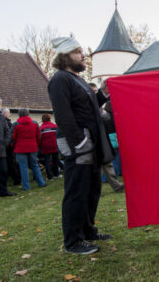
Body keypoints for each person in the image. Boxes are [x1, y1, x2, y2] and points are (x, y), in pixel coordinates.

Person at [48, 36, 113, 255]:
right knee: (76, 192)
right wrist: (80, 142)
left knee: (91, 190)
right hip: (78, 146)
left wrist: (102, 93)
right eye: (77, 52)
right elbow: (63, 116)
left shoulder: (80, 80)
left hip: (91, 145)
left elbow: (91, 108)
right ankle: (73, 241)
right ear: (65, 57)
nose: (83, 55)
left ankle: (87, 230)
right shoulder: (60, 80)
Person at [88, 84, 124, 193]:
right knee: (92, 166)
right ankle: (94, 190)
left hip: (101, 137)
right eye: (93, 91)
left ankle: (116, 185)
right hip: (89, 138)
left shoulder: (99, 106)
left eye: (96, 91)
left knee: (107, 161)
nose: (95, 93)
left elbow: (107, 117)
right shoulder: (86, 105)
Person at [12, 108, 46, 190]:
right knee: (35, 165)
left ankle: (26, 186)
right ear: (28, 113)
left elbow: (13, 137)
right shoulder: (34, 123)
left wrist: (13, 145)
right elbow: (38, 136)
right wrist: (37, 144)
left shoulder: (16, 124)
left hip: (20, 148)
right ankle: (41, 182)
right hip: (33, 147)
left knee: (23, 167)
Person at [2, 107, 21, 185]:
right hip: (8, 146)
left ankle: (16, 178)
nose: (9, 114)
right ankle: (16, 178)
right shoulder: (6, 123)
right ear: (4, 114)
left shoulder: (7, 122)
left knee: (11, 163)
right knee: (11, 163)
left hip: (8, 146)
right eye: (8, 113)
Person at [40, 114, 61, 180]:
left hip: (45, 147)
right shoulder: (55, 126)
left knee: (47, 162)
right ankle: (57, 174)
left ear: (42, 119)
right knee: (56, 160)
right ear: (50, 118)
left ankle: (49, 176)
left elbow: (39, 138)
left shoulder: (40, 128)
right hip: (54, 145)